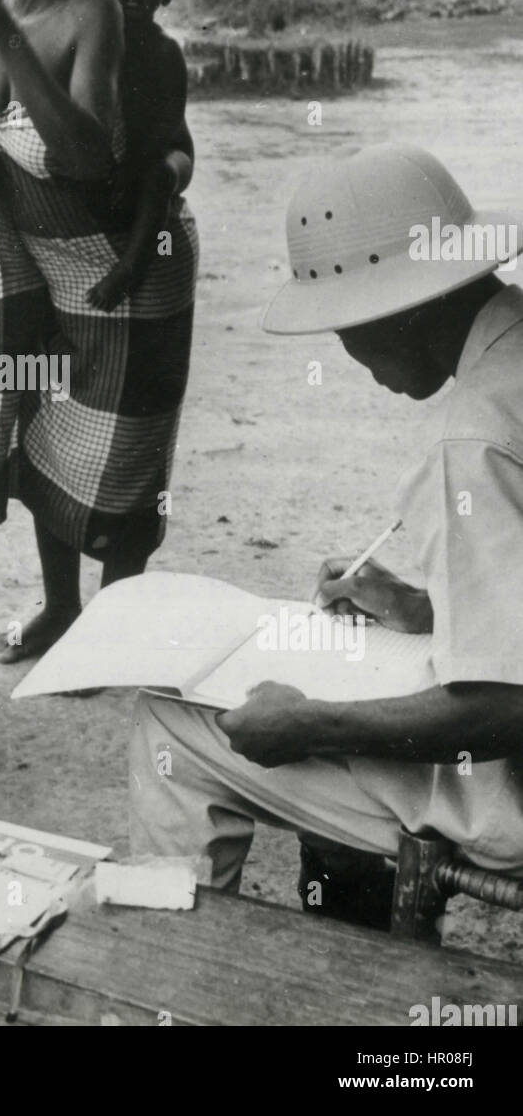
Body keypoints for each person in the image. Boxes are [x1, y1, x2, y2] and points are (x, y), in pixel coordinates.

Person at [129, 143, 523, 922]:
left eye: (345, 325)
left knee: (170, 722)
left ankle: (163, 978)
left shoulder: (470, 442)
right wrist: (427, 611)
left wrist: (313, 720)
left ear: (400, 307)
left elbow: (502, 706)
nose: (346, 351)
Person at [0, 0, 196, 664]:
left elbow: (89, 155)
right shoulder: (11, 2)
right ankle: (62, 611)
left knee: (123, 466)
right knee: (38, 439)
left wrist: (3, 42)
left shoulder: (98, 20)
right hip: (53, 270)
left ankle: (111, 637)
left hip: (127, 277)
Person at [89, 0, 196, 313]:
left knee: (155, 181)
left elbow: (165, 128)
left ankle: (130, 268)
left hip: (167, 151)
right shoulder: (95, 40)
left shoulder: (165, 51)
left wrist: (131, 168)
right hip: (124, 148)